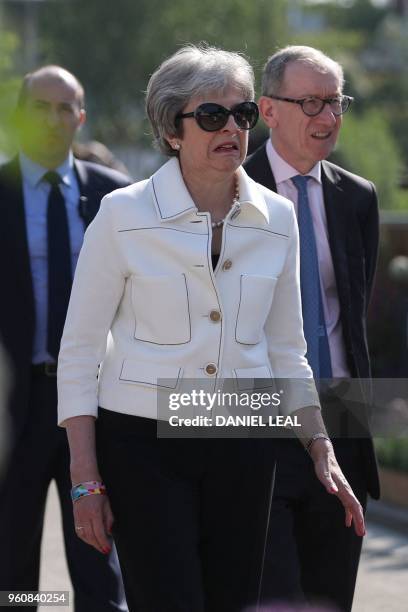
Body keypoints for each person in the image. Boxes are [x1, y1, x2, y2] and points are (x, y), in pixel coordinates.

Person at [57, 45, 365, 612]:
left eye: (243, 114)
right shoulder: (122, 214)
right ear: (172, 129)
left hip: (244, 442)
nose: (232, 128)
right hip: (143, 446)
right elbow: (78, 353)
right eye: (211, 116)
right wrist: (85, 480)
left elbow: (287, 349)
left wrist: (320, 445)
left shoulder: (278, 217)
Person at [244, 45, 380, 612]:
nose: (328, 117)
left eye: (336, 102)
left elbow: (352, 313)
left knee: (330, 597)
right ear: (268, 111)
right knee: (271, 595)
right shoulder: (225, 189)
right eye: (311, 103)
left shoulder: (358, 197)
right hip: (256, 426)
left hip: (341, 420)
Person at [0, 65, 130, 611]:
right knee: (13, 575)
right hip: (16, 409)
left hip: (97, 407)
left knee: (100, 567)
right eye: (40, 108)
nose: (53, 120)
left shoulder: (118, 199)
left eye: (65, 109)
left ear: (80, 117)